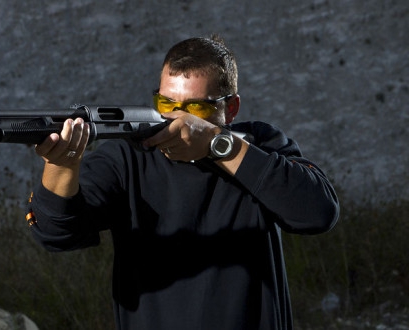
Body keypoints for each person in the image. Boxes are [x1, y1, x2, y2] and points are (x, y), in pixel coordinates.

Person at [26, 35, 339, 329]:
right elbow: (56, 233)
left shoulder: (258, 144)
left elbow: (318, 212)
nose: (177, 119)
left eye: (197, 108)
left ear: (230, 108)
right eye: (166, 104)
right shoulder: (126, 158)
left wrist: (219, 145)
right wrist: (60, 166)